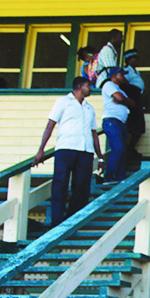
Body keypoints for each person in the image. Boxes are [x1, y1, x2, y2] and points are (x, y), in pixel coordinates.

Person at [33, 77, 104, 227]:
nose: (91, 88)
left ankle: (73, 219)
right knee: (60, 183)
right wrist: (41, 150)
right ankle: (57, 221)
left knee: (82, 186)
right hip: (66, 148)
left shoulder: (89, 108)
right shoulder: (63, 102)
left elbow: (94, 134)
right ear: (79, 87)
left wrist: (100, 157)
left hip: (85, 150)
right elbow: (50, 125)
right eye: (88, 86)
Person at [101, 67, 135, 185]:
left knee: (122, 150)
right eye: (122, 75)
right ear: (115, 75)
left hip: (121, 122)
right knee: (118, 148)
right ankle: (109, 176)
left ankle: (120, 177)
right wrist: (123, 99)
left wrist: (122, 99)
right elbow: (120, 98)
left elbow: (133, 104)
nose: (124, 77)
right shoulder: (109, 85)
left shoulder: (119, 89)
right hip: (112, 120)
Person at [121, 49, 146, 159]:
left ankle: (131, 147)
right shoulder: (126, 71)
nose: (137, 61)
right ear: (128, 60)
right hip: (132, 97)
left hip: (138, 97)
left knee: (139, 126)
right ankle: (126, 148)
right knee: (131, 124)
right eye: (134, 59)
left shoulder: (136, 72)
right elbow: (124, 84)